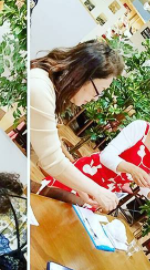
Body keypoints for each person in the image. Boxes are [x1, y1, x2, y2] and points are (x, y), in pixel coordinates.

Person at [30, 41, 127, 212]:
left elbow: (53, 145)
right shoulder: (41, 88)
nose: (95, 98)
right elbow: (52, 161)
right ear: (82, 74)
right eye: (97, 91)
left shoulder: (49, 86)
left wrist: (80, 187)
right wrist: (97, 191)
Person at [41, 109, 150, 205]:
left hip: (104, 193)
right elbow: (106, 156)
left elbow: (147, 185)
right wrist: (132, 169)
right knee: (45, 203)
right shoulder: (141, 128)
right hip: (86, 174)